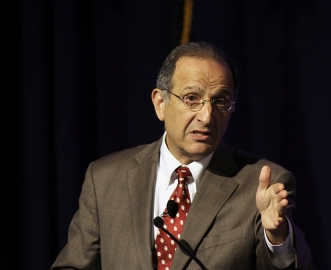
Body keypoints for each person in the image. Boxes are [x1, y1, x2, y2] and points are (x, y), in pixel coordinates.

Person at [51, 42, 314, 269]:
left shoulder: (262, 184)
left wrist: (278, 237)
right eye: (191, 98)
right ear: (160, 103)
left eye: (220, 101)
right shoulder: (106, 179)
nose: (207, 116)